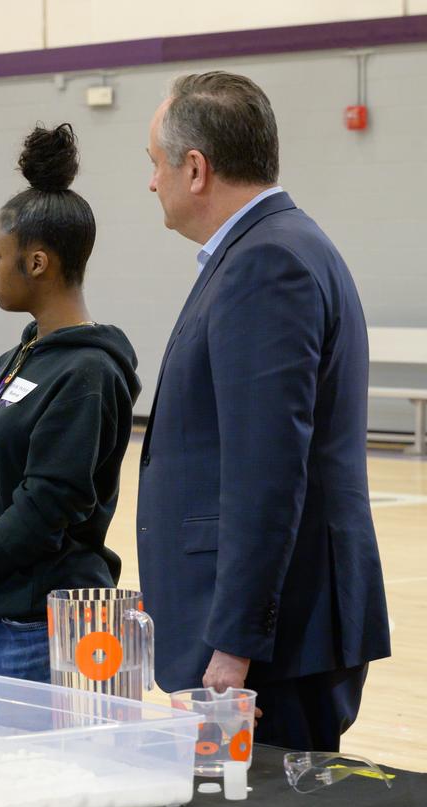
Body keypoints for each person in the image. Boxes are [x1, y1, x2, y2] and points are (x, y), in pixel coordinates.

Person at [138, 72, 391, 750]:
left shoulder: (267, 261)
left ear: (196, 168)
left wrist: (234, 644)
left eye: (154, 163)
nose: (151, 182)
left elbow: (266, 472)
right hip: (278, 633)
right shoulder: (274, 247)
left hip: (270, 648)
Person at [0, 124, 141, 682]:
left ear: (37, 263)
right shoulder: (18, 357)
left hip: (44, 628)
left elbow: (45, 509)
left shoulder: (87, 371)